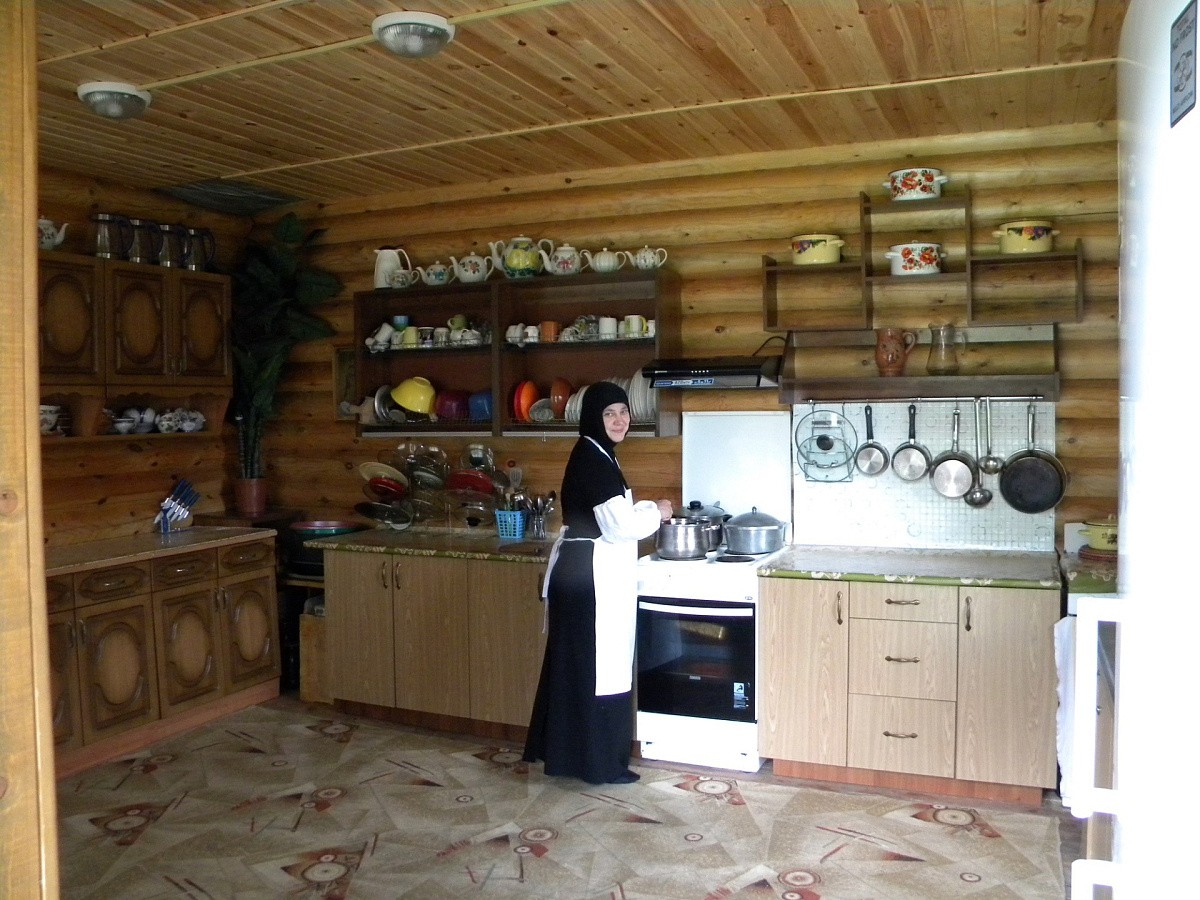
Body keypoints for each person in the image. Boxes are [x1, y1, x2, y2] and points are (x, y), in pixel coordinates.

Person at [522, 381, 673, 785]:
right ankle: (599, 765)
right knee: (599, 669)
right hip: (590, 578)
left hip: (581, 573)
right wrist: (658, 512)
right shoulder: (594, 460)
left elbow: (612, 516)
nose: (620, 420)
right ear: (593, 418)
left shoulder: (596, 453)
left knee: (579, 668)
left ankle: (576, 759)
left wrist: (647, 508)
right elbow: (619, 527)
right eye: (609, 413)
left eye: (623, 411)